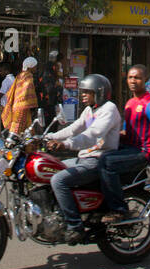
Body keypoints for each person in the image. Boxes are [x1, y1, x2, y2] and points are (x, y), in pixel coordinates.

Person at [45, 73, 121, 243]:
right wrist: (49, 137)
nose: (83, 95)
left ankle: (74, 226)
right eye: (83, 92)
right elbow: (73, 128)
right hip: (84, 157)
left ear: (99, 92)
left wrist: (66, 144)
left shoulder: (109, 109)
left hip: (97, 160)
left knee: (58, 180)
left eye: (88, 92)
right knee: (52, 169)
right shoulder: (89, 110)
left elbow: (92, 135)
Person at [100, 64, 150, 222]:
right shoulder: (130, 103)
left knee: (106, 162)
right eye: (130, 77)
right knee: (99, 155)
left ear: (145, 80)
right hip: (129, 148)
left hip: (142, 152)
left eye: (137, 78)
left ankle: (118, 209)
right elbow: (128, 131)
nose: (133, 81)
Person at [0, 56, 38, 134]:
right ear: (30, 66)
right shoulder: (28, 76)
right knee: (19, 129)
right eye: (35, 66)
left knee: (19, 127)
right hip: (23, 107)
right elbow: (28, 92)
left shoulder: (20, 76)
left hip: (16, 106)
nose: (36, 68)